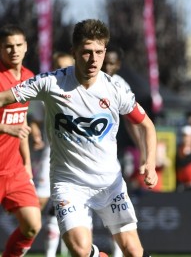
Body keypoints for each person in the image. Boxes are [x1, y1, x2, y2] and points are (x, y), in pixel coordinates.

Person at [0, 19, 157, 256]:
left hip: (109, 183)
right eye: (86, 52)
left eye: (99, 52)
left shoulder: (115, 88)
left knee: (133, 251)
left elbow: (147, 125)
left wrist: (150, 162)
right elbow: (3, 98)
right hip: (69, 184)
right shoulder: (51, 82)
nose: (94, 59)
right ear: (74, 52)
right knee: (80, 250)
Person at [0, 24, 42, 255]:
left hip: (15, 170)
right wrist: (6, 127)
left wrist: (26, 163)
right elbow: (13, 126)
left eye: (18, 45)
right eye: (8, 46)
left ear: (25, 47)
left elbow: (22, 122)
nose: (13, 50)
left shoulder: (29, 78)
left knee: (32, 226)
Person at [28, 51, 74, 257]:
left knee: (69, 207)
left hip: (77, 157)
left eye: (66, 67)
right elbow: (35, 118)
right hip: (51, 154)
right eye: (59, 67)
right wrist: (36, 133)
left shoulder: (85, 89)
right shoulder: (47, 88)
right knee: (39, 201)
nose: (62, 71)